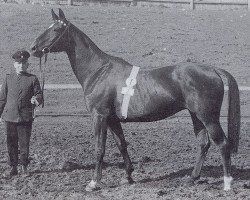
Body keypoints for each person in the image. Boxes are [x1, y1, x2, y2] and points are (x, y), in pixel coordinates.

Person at [0, 50, 43, 178]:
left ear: (27, 65)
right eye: (18, 63)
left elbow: (39, 94)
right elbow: (2, 99)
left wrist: (36, 99)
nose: (21, 65)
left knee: (24, 143)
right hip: (9, 117)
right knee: (11, 142)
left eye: (24, 63)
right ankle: (13, 167)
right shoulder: (8, 78)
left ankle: (24, 166)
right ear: (14, 64)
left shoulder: (32, 79)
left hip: (25, 117)